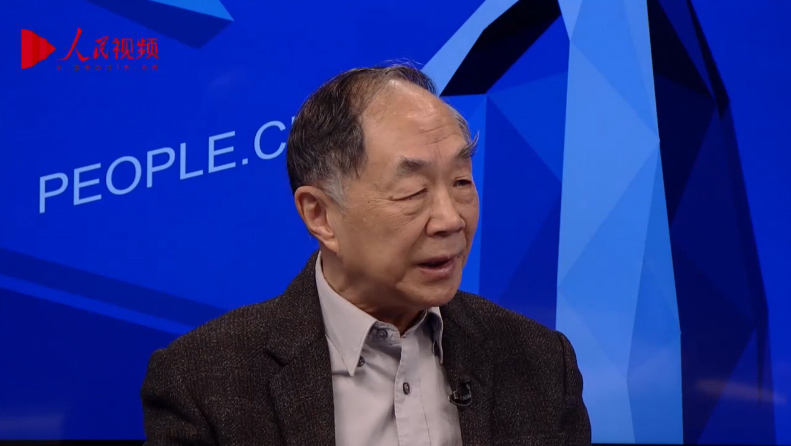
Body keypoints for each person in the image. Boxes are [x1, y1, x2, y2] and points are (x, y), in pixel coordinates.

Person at [140, 64, 591, 446]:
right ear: (320, 215)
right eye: (413, 191)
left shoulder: (541, 362)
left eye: (461, 182)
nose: (450, 219)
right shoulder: (203, 383)